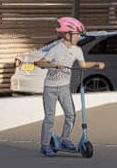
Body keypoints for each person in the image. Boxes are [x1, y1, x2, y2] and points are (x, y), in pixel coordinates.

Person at [18, 16, 105, 157]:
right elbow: (40, 63)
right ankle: (45, 146)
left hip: (64, 87)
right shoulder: (57, 49)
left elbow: (82, 65)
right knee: (50, 118)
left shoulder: (77, 50)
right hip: (50, 88)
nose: (78, 37)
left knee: (71, 115)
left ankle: (65, 139)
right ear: (67, 34)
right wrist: (54, 65)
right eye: (76, 35)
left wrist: (95, 63)